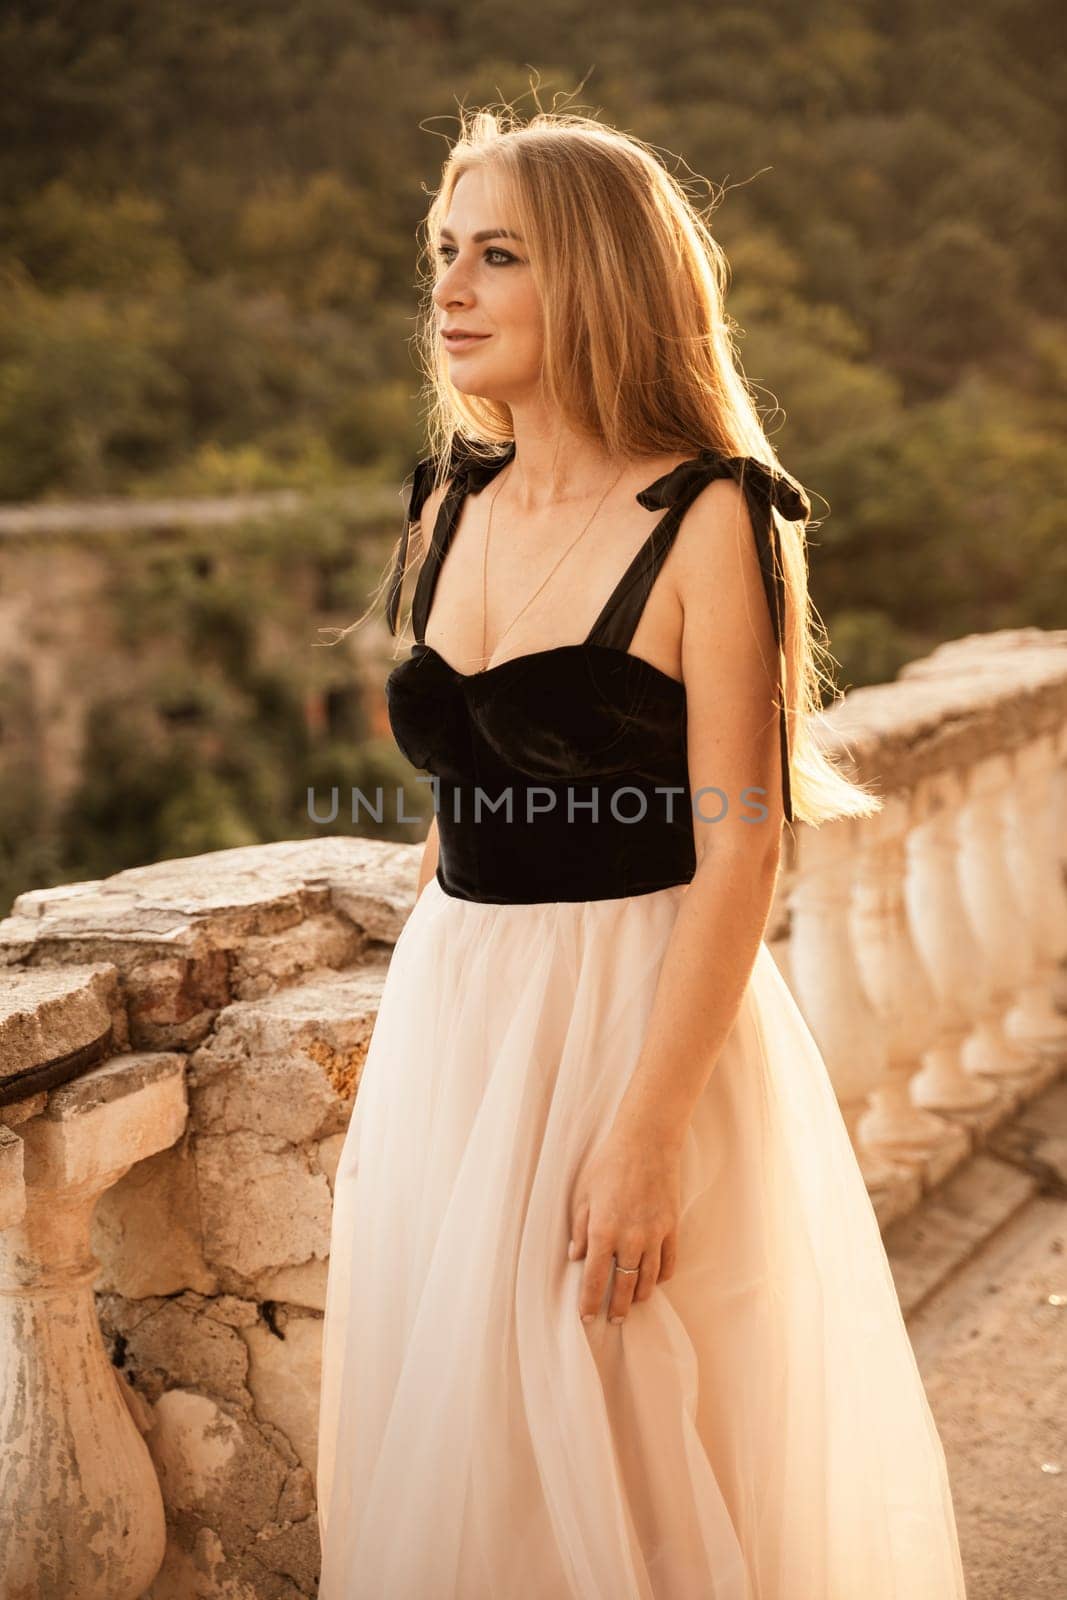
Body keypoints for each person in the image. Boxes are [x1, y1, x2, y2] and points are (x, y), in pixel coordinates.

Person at [315, 105, 968, 1599]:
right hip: (456, 1018)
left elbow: (743, 856)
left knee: (626, 1426)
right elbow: (457, 798)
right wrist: (421, 1020)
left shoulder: (714, 517)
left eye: (497, 256)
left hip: (633, 1016)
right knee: (473, 1432)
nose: (450, 290)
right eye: (442, 255)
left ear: (600, 277)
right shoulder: (447, 502)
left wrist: (644, 1133)